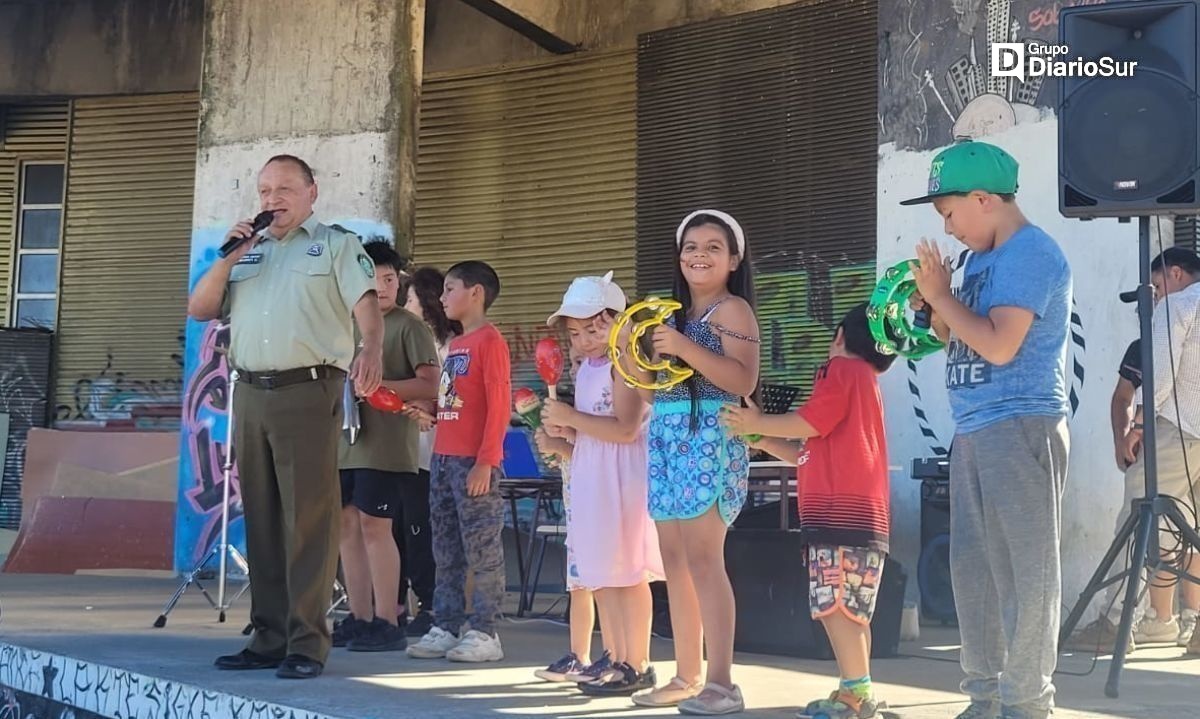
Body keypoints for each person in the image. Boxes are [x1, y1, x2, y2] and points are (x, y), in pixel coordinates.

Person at [188, 154, 384, 679]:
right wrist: (229, 257)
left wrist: (371, 348)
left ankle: (307, 642)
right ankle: (268, 637)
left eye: (284, 189)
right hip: (250, 392)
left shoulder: (338, 245)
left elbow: (366, 305)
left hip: (308, 389)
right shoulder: (249, 251)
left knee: (309, 521)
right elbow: (201, 308)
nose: (272, 199)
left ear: (311, 192)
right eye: (264, 190)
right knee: (263, 519)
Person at [901, 139, 1072, 719]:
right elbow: (961, 336)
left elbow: (999, 344)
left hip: (1022, 425)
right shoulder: (977, 261)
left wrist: (943, 295)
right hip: (973, 428)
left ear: (983, 199)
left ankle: (1026, 703)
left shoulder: (1031, 254)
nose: (948, 229)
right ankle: (984, 698)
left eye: (950, 214)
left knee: (1026, 574)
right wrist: (934, 311)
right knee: (972, 573)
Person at [722, 303, 898, 719]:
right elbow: (807, 450)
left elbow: (811, 422)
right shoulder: (866, 383)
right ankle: (856, 689)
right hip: (863, 518)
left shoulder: (839, 372)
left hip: (838, 518)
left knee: (835, 606)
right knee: (852, 610)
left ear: (838, 336)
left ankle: (857, 694)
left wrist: (760, 417)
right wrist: (762, 436)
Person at [616, 210, 759, 715]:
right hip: (668, 437)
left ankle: (722, 683)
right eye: (691, 246)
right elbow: (650, 385)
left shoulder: (732, 309)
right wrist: (629, 348)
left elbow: (742, 383)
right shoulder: (669, 315)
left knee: (703, 559)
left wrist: (680, 346)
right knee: (674, 562)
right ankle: (686, 675)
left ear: (734, 259)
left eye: (713, 247)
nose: (699, 254)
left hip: (710, 439)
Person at [538, 272, 666, 697]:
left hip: (622, 478)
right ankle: (613, 655)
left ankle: (637, 661)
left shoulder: (624, 363)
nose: (584, 339)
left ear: (617, 322)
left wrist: (571, 419)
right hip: (594, 476)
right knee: (603, 575)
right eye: (575, 332)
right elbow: (593, 432)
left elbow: (626, 429)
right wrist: (562, 438)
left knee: (628, 573)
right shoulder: (588, 368)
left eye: (594, 328)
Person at [1068, 247, 1200, 653]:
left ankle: (1114, 625)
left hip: (1178, 429)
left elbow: (1159, 376)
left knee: (1138, 521)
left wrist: (1137, 428)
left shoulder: (1178, 305)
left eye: (1157, 285)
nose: (1155, 295)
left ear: (1176, 274)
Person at [332, 241, 440, 652]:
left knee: (376, 527)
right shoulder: (346, 323)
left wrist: (378, 387)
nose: (382, 287)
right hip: (342, 441)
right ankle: (358, 617)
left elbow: (430, 385)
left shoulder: (410, 327)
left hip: (385, 443)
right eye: (372, 280)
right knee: (345, 526)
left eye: (390, 279)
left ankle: (388, 618)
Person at [407, 261, 511, 663]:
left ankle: (486, 631)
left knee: (482, 550)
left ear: (476, 293)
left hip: (472, 462)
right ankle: (445, 624)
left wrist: (486, 461)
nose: (442, 297)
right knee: (445, 549)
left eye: (450, 289)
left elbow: (498, 406)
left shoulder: (489, 341)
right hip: (443, 459)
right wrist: (429, 411)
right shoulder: (456, 345)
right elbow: (457, 402)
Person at [533, 347, 616, 684]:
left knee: (606, 585)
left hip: (601, 508)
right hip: (577, 509)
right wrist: (555, 443)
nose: (575, 369)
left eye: (583, 361)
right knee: (579, 585)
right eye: (572, 362)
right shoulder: (572, 409)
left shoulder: (601, 409)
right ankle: (578, 654)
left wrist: (562, 447)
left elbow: (596, 456)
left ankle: (614, 653)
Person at [397, 266, 463, 638]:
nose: (407, 304)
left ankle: (433, 604)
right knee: (406, 529)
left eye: (410, 298)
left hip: (437, 451)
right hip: (407, 450)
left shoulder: (452, 345)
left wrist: (427, 403)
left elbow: (452, 397)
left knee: (428, 532)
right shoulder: (410, 341)